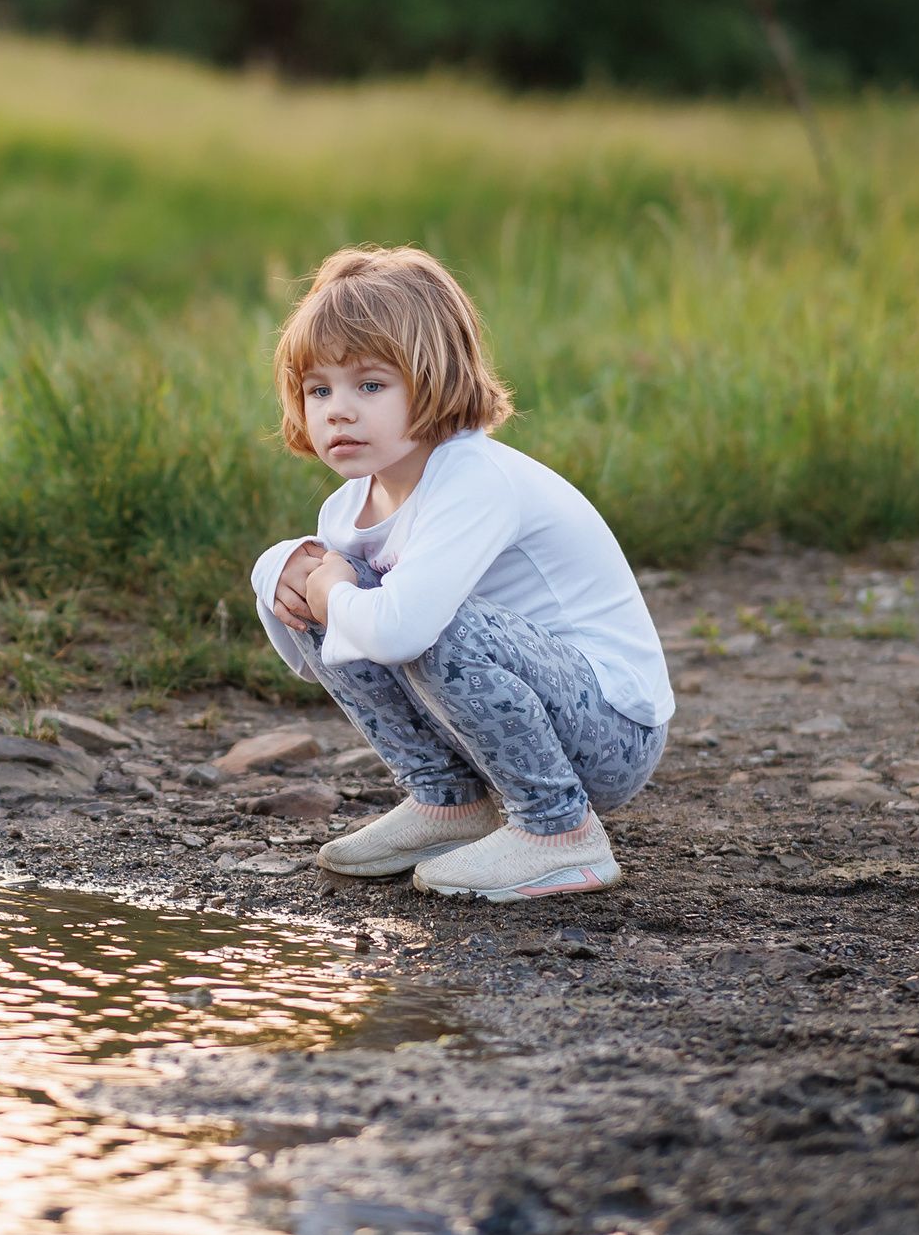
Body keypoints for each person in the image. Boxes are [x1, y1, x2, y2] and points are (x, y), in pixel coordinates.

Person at [249, 246, 672, 901]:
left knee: (401, 613)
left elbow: (397, 634)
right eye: (318, 389)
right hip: (512, 715)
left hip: (610, 728)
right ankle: (448, 802)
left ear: (435, 380)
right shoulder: (348, 507)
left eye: (369, 385)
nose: (338, 409)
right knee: (310, 567)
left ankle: (560, 831)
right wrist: (279, 570)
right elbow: (321, 653)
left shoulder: (474, 479)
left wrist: (330, 588)